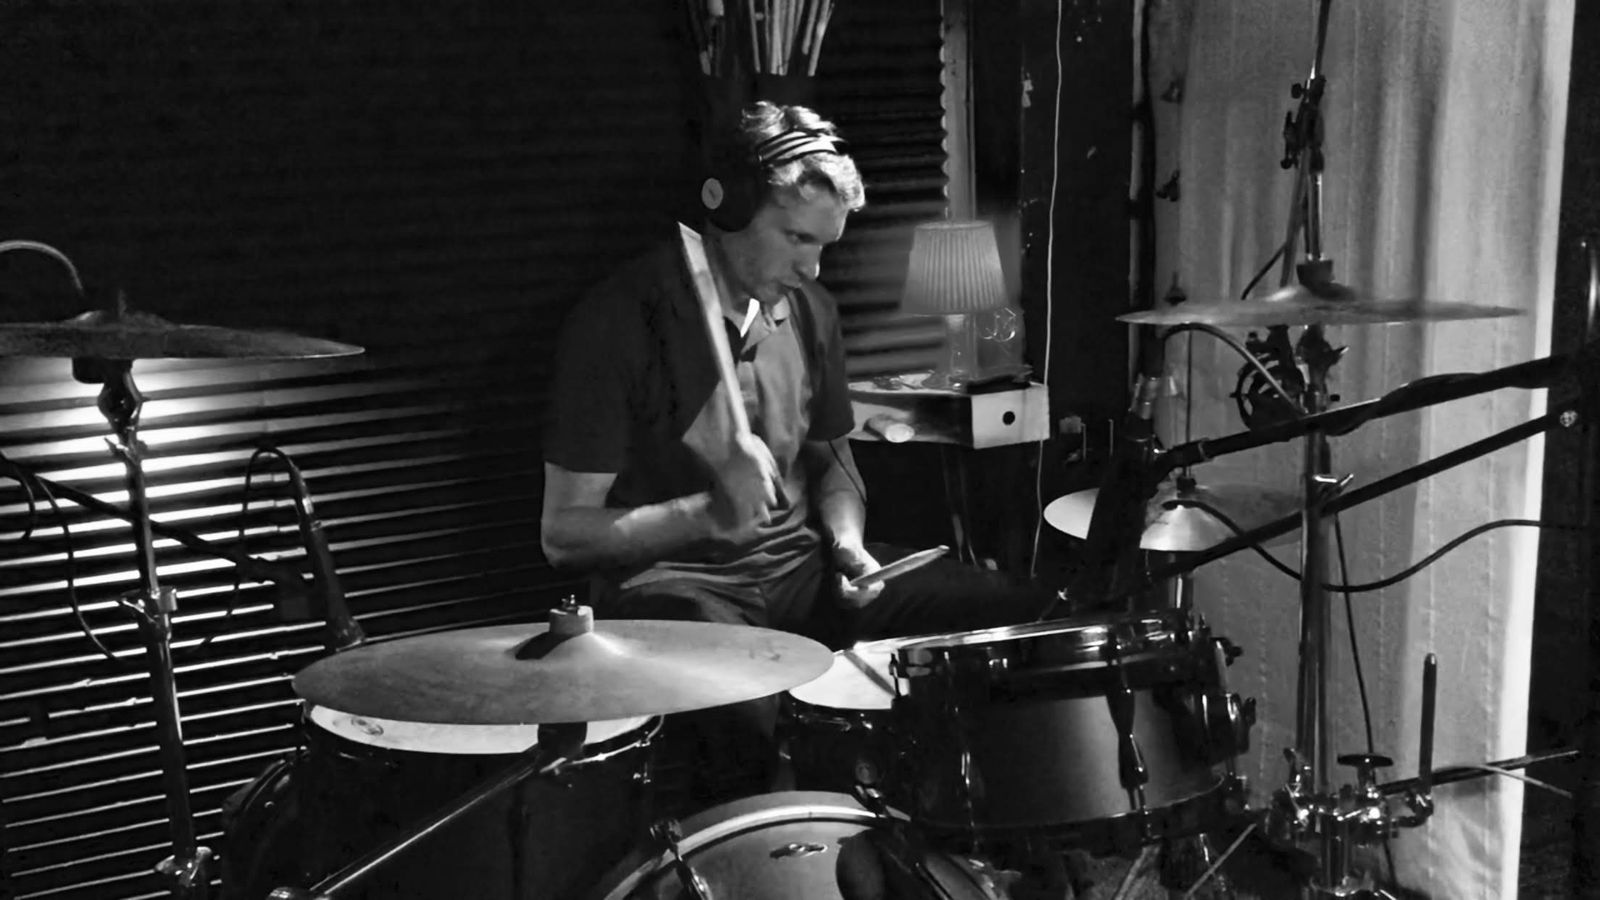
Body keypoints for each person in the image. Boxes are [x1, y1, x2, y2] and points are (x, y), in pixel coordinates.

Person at [540, 101, 1058, 808]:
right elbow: (564, 536)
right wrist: (706, 512)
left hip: (802, 574)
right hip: (679, 590)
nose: (811, 266)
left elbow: (835, 462)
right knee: (748, 727)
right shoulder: (619, 324)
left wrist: (848, 546)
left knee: (1018, 616)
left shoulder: (811, 310)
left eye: (825, 245)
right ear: (728, 209)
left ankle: (962, 829)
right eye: (795, 238)